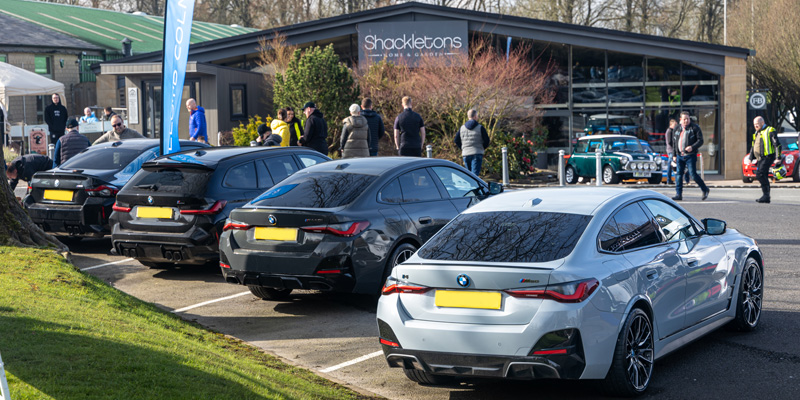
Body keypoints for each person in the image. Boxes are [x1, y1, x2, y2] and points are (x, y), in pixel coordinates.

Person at [672, 112, 710, 201]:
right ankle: (678, 194)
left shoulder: (695, 128)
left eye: (687, 119)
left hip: (690, 155)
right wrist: (674, 154)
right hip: (679, 155)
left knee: (693, 174)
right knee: (679, 175)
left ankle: (705, 189)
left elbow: (700, 141)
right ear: (680, 120)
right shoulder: (677, 129)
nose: (686, 121)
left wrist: (692, 147)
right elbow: (674, 142)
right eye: (684, 119)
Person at [748, 116, 781, 203]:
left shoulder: (770, 130)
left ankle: (766, 195)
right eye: (754, 124)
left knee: (760, 174)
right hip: (760, 158)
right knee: (763, 175)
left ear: (762, 123)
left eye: (757, 124)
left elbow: (777, 144)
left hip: (768, 156)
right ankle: (766, 197)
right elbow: (753, 146)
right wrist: (750, 158)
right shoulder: (757, 133)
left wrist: (778, 158)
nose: (756, 126)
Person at [454, 109, 490, 176]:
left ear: (468, 117)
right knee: (475, 176)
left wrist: (463, 148)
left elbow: (456, 140)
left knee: (469, 177)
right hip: (477, 152)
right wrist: (482, 148)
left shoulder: (462, 128)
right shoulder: (480, 128)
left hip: (465, 153)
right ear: (475, 116)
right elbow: (487, 140)